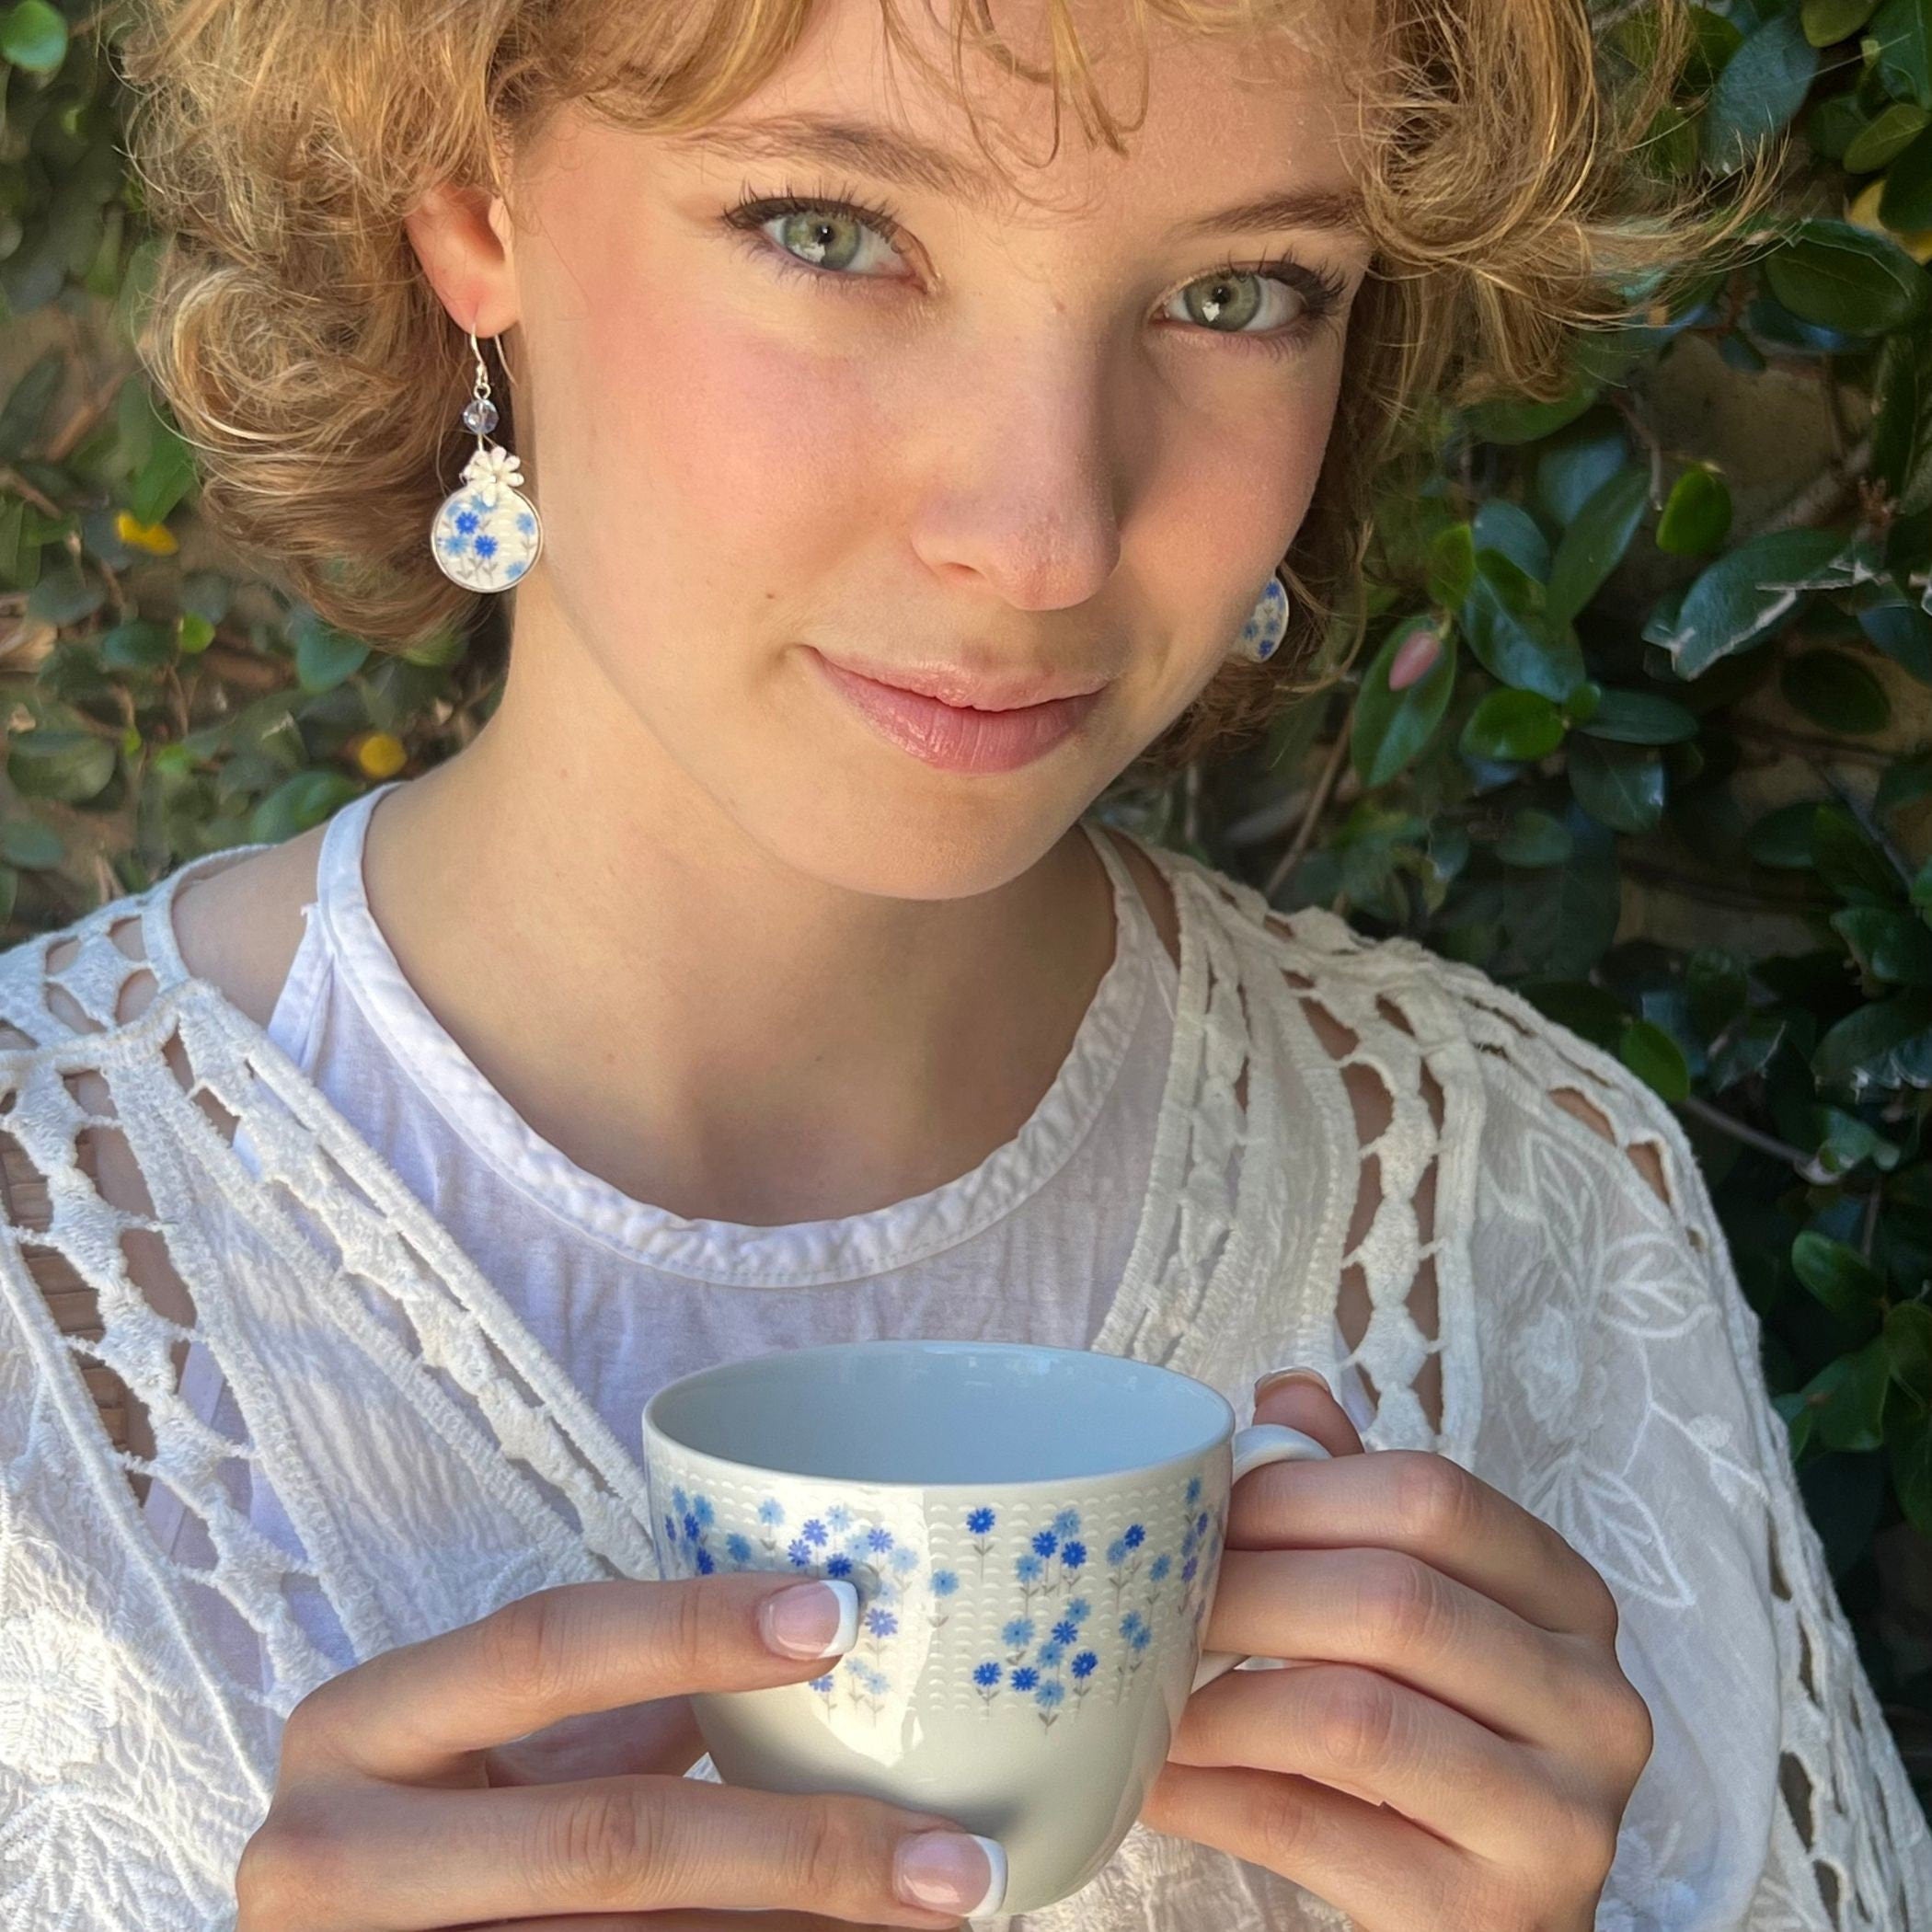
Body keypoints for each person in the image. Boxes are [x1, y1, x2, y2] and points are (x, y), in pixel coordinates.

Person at [0, 0, 1924, 1927]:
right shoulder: (45, 1282)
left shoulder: (1532, 1214)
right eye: (831, 230)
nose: (1045, 530)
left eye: (1243, 290)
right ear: (463, 195)